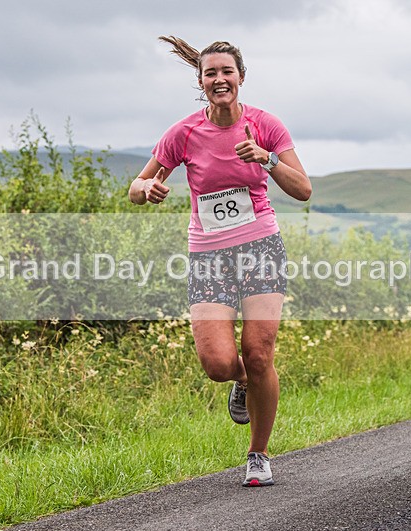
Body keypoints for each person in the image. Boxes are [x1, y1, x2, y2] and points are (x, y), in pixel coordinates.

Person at [128, 36, 311, 487]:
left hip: (260, 248)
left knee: (259, 351)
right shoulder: (183, 133)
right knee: (217, 362)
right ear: (201, 82)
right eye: (211, 73)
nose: (219, 79)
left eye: (227, 72)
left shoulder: (265, 125)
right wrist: (145, 190)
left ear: (241, 78)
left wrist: (266, 159)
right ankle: (245, 380)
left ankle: (258, 455)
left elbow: (304, 189)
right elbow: (136, 185)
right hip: (208, 255)